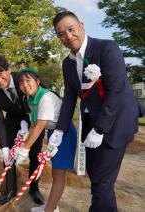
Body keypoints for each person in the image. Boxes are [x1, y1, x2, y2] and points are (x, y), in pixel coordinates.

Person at [48, 11, 143, 212]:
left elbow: (116, 90)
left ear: (81, 25)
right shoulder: (68, 63)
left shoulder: (107, 48)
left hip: (116, 122)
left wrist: (100, 129)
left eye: (71, 29)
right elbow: (69, 100)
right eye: (61, 34)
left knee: (101, 180)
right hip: (91, 122)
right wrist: (59, 130)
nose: (68, 36)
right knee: (95, 175)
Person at [0, 55, 45, 205]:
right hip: (11, 123)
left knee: (35, 154)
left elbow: (41, 96)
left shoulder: (24, 78)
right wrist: (4, 147)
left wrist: (28, 122)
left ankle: (34, 188)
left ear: (8, 70)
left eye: (1, 73)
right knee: (8, 157)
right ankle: (10, 189)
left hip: (33, 121)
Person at [15, 68, 77, 212]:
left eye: (28, 80)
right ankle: (51, 207)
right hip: (53, 133)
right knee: (57, 173)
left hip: (64, 134)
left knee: (59, 173)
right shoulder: (31, 98)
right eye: (21, 82)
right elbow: (34, 124)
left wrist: (25, 149)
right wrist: (23, 141)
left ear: (37, 81)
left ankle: (49, 210)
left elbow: (40, 126)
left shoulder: (46, 98)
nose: (24, 85)